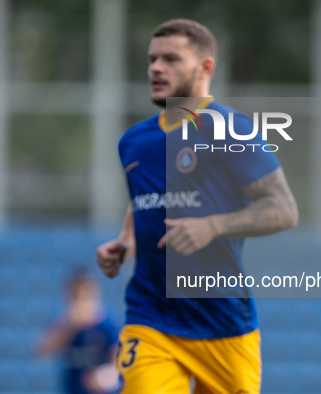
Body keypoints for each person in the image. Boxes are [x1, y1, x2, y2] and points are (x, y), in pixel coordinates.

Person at [95, 19, 298, 394]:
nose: (156, 68)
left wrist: (212, 226)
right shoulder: (134, 142)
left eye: (171, 59)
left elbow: (284, 208)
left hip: (222, 323)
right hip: (151, 317)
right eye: (152, 59)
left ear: (206, 67)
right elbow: (146, 198)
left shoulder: (230, 130)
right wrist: (125, 242)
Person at [36, 270, 119, 394]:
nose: (82, 301)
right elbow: (42, 352)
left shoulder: (108, 323)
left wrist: (105, 377)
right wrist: (69, 327)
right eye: (76, 296)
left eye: (87, 295)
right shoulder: (62, 322)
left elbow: (119, 365)